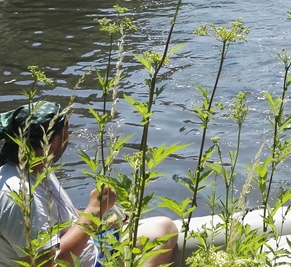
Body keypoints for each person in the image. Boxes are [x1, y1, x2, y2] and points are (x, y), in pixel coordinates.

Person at [0, 101, 178, 267]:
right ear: (52, 144)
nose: (68, 138)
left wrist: (103, 221)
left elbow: (60, 218)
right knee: (164, 229)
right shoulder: (20, 193)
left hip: (88, 248)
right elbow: (48, 264)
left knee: (162, 227)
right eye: (67, 133)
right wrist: (93, 210)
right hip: (83, 262)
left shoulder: (31, 169)